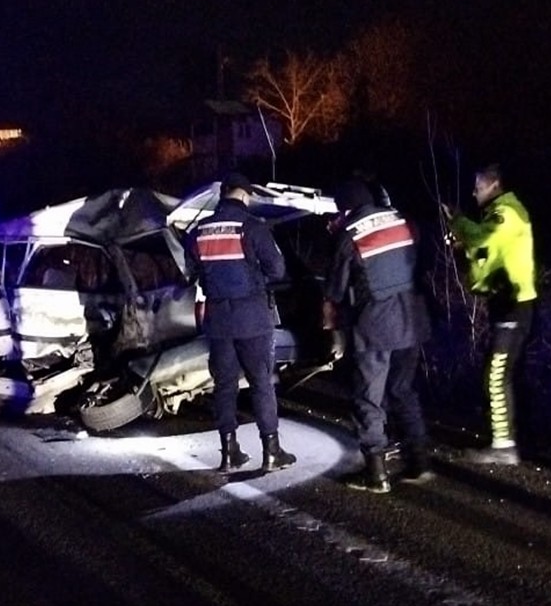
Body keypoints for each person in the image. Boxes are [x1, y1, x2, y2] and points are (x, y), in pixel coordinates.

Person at [323, 180, 432, 493]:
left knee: (369, 399)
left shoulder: (350, 235)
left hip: (375, 327)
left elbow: (336, 290)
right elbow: (421, 263)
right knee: (402, 389)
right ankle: (419, 462)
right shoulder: (400, 220)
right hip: (412, 320)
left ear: (345, 208)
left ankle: (376, 474)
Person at [185, 172, 296, 474]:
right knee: (261, 382)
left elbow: (190, 272)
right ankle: (271, 451)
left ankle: (229, 452)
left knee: (224, 386)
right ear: (245, 195)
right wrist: (254, 278)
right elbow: (277, 269)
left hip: (218, 320)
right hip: (252, 317)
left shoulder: (198, 231)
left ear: (224, 194)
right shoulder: (252, 227)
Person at [442, 163, 537, 465]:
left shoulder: (506, 213)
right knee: (497, 374)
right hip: (504, 303)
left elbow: (484, 238)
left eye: (478, 186)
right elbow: (485, 252)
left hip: (513, 305)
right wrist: (462, 247)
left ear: (493, 185)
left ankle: (504, 446)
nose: (474, 192)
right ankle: (503, 440)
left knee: (496, 376)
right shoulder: (498, 215)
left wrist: (458, 221)